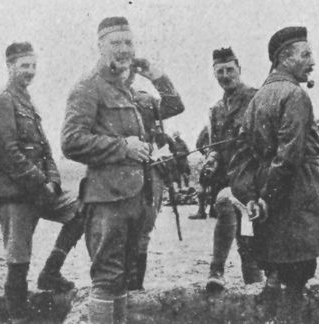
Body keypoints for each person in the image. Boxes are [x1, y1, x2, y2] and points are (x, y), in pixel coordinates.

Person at [61, 17, 184, 323]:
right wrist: (123, 147)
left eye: (129, 43)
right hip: (107, 201)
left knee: (123, 279)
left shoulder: (128, 90)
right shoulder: (88, 87)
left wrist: (158, 76)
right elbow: (71, 141)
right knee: (106, 279)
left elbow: (173, 105)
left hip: (136, 199)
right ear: (100, 46)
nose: (124, 50)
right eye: (116, 43)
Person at [0, 42, 84, 323]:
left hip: (39, 190)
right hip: (13, 194)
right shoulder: (1, 100)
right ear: (10, 66)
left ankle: (51, 271)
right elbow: (9, 152)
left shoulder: (28, 102)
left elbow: (46, 149)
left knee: (81, 210)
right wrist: (41, 183)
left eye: (33, 66)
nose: (30, 71)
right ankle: (18, 319)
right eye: (24, 66)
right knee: (18, 261)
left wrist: (52, 181)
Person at [243, 27, 319, 322]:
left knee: (275, 271)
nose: (312, 61)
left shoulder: (257, 98)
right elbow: (289, 156)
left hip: (270, 198)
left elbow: (247, 156)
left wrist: (259, 196)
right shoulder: (295, 95)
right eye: (306, 54)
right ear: (284, 57)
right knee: (296, 277)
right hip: (296, 198)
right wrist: (269, 197)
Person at [193, 47, 262, 291]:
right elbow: (214, 147)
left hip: (254, 180)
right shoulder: (215, 110)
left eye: (230, 70)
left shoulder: (257, 98)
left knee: (248, 239)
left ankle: (251, 284)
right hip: (227, 181)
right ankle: (217, 272)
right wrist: (211, 158)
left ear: (239, 69)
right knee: (225, 205)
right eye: (219, 71)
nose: (225, 75)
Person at [128, 84, 185, 291]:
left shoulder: (146, 99)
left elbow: (175, 105)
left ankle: (135, 287)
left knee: (144, 228)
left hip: (151, 170)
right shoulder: (104, 94)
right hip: (120, 170)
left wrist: (157, 76)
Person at [190, 126, 217, 219]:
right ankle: (211, 210)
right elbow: (199, 144)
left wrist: (206, 152)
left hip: (211, 158)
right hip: (218, 159)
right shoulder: (208, 128)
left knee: (204, 183)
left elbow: (199, 144)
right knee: (213, 185)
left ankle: (202, 211)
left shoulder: (208, 127)